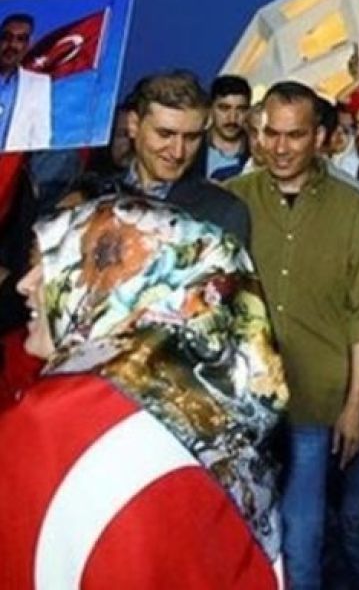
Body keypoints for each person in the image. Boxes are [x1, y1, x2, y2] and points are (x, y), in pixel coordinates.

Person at [0, 195, 288, 588]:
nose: (25, 284)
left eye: (55, 265)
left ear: (126, 286)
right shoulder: (225, 431)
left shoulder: (58, 422)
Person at [225, 81, 359, 590]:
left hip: (314, 406)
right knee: (236, 541)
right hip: (241, 409)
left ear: (319, 137)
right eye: (270, 133)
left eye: (294, 135)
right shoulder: (232, 201)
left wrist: (355, 406)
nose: (280, 147)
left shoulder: (352, 209)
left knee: (303, 541)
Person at [115, 71, 251, 244]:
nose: (178, 152)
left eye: (191, 138)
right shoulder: (95, 195)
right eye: (165, 134)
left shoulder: (223, 212)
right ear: (133, 125)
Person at [0, 13, 51, 152]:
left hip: (12, 164)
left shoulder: (39, 85)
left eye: (21, 39)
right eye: (7, 37)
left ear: (28, 45)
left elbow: (40, 140)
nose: (12, 44)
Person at [198, 74, 253, 181]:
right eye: (224, 108)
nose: (232, 118)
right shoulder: (193, 146)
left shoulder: (257, 150)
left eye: (241, 109)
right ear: (210, 108)